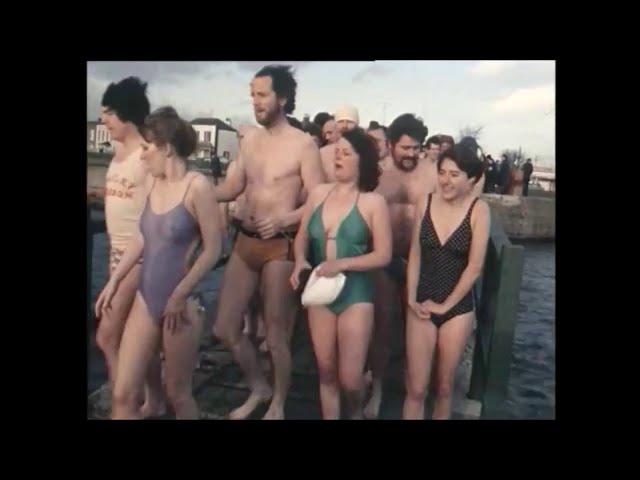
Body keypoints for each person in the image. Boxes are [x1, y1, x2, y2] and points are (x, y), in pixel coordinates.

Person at [211, 64, 326, 420]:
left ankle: (277, 401)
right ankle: (258, 385)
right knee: (224, 327)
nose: (255, 102)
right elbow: (233, 187)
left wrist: (284, 218)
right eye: (253, 95)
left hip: (281, 245)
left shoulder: (303, 144)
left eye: (262, 95)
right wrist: (197, 193)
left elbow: (319, 199)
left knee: (276, 336)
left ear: (283, 99)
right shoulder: (250, 139)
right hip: (245, 243)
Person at [96, 106, 223, 419]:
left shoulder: (197, 187)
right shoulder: (153, 184)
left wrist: (181, 294)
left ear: (166, 148)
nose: (142, 155)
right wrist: (114, 280)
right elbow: (142, 239)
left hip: (182, 306)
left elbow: (213, 249)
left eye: (147, 148)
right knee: (124, 392)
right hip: (146, 299)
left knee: (177, 394)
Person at [290, 128, 392, 419]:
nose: (339, 157)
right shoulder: (318, 194)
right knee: (325, 370)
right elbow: (302, 236)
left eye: (347, 154)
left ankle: (356, 411)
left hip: (356, 293)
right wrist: (299, 261)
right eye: (337, 152)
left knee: (350, 378)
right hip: (321, 289)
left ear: (362, 163)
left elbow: (383, 255)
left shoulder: (373, 203)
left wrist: (342, 264)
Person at [403, 140, 490, 420]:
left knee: (443, 387)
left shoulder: (479, 211)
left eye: (454, 175)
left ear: (471, 180)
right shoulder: (425, 202)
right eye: (442, 173)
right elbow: (415, 254)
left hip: (457, 308)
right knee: (416, 389)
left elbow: (475, 268)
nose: (446, 181)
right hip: (422, 301)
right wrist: (411, 297)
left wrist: (445, 305)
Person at [94, 76, 165, 417]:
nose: (103, 120)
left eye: (108, 113)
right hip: (115, 256)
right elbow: (121, 199)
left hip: (137, 261)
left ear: (126, 115)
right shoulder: (120, 153)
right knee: (141, 344)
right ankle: (154, 399)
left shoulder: (146, 157)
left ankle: (125, 404)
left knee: (107, 336)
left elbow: (155, 215)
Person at [365, 113, 430, 419]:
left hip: (422, 261)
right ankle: (376, 390)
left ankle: (412, 394)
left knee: (416, 332)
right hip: (385, 258)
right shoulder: (377, 175)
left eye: (416, 148)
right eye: (406, 148)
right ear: (391, 145)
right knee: (382, 328)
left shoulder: (432, 174)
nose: (412, 154)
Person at [320, 105, 360, 181]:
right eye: (341, 121)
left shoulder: (366, 150)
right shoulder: (323, 153)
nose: (345, 125)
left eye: (349, 121)